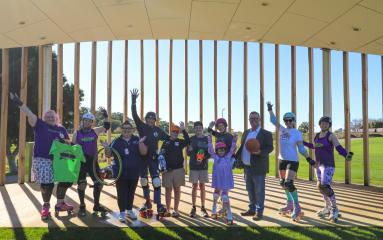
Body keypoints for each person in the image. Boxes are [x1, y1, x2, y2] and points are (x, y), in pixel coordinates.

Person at [9, 93, 73, 220]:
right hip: (43, 159)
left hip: (60, 160)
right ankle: (46, 206)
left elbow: (69, 144)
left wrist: (65, 144)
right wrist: (19, 103)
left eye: (52, 116)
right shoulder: (39, 125)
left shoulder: (62, 129)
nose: (50, 117)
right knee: (47, 184)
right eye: (47, 116)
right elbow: (29, 114)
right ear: (44, 118)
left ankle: (60, 204)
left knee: (67, 180)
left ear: (56, 117)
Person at [267, 102, 315, 222]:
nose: (288, 122)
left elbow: (301, 148)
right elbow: (273, 120)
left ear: (294, 121)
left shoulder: (297, 133)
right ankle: (289, 204)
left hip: (292, 161)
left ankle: (297, 207)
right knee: (283, 183)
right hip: (282, 160)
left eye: (290, 120)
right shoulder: (282, 130)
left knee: (289, 183)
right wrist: (269, 109)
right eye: (286, 120)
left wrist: (309, 158)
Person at [304, 116, 353, 222]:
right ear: (320, 124)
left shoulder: (331, 136)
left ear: (329, 125)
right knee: (320, 187)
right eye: (322, 123)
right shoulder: (317, 135)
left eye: (326, 123)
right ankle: (327, 208)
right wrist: (302, 142)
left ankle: (335, 209)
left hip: (328, 165)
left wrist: (346, 155)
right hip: (319, 165)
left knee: (325, 186)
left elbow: (338, 147)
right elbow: (313, 146)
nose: (324, 125)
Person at [130, 88, 169, 216]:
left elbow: (168, 139)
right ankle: (147, 202)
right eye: (149, 119)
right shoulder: (142, 126)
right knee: (143, 181)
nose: (150, 121)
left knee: (156, 181)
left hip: (153, 158)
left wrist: (162, 150)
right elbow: (134, 115)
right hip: (142, 158)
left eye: (153, 119)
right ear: (146, 119)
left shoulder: (158, 130)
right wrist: (134, 101)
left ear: (155, 120)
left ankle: (159, 205)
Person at [102, 120, 147, 222]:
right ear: (121, 130)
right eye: (124, 129)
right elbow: (109, 154)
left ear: (132, 130)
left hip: (134, 172)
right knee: (121, 193)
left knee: (131, 193)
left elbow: (144, 152)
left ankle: (129, 211)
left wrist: (141, 143)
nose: (126, 130)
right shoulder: (116, 141)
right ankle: (122, 213)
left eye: (128, 129)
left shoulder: (137, 139)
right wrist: (106, 147)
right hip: (120, 172)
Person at [71, 109, 111, 217]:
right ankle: (82, 206)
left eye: (89, 121)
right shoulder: (77, 133)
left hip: (93, 162)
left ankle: (96, 205)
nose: (87, 122)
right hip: (81, 162)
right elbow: (72, 147)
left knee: (98, 184)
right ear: (82, 121)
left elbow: (106, 126)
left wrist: (106, 116)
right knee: (82, 184)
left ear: (92, 122)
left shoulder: (95, 131)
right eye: (85, 120)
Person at [235, 111, 273, 221]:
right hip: (247, 167)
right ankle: (251, 209)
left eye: (255, 118)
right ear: (249, 120)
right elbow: (243, 147)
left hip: (259, 167)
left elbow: (270, 148)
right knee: (249, 189)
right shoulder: (246, 132)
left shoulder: (266, 133)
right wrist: (236, 156)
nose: (253, 120)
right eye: (251, 119)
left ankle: (259, 212)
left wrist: (260, 152)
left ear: (260, 119)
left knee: (259, 190)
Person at [160, 122, 190, 218]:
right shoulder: (165, 142)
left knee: (177, 190)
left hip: (178, 169)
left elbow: (188, 140)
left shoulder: (180, 142)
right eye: (173, 131)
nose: (175, 133)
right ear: (170, 132)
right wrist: (162, 168)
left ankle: (176, 210)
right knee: (168, 190)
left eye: (177, 132)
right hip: (167, 170)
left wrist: (183, 130)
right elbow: (161, 156)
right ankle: (168, 209)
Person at [208, 133, 238, 225]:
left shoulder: (228, 157)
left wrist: (234, 140)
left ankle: (228, 214)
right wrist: (209, 141)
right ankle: (214, 210)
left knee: (225, 196)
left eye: (223, 150)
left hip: (225, 180)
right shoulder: (215, 157)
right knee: (216, 194)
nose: (221, 151)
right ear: (217, 151)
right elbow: (210, 150)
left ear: (225, 150)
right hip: (218, 180)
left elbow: (232, 149)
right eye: (219, 150)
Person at [187, 121, 210, 218]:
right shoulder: (191, 139)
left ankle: (203, 207)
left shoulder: (206, 139)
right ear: (194, 129)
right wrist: (189, 150)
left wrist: (203, 159)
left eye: (200, 127)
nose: (198, 129)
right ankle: (193, 207)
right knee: (194, 186)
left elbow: (210, 153)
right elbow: (188, 153)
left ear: (202, 128)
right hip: (193, 166)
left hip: (203, 166)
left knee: (202, 186)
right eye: (196, 128)